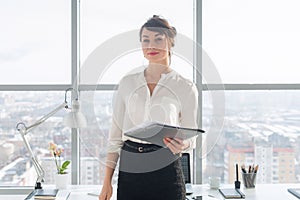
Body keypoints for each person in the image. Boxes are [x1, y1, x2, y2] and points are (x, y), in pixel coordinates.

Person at [99, 15, 199, 200]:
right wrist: (107, 182)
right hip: (131, 167)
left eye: (158, 39)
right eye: (146, 40)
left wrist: (182, 144)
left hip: (166, 167)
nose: (151, 45)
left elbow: (191, 138)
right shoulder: (127, 83)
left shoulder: (185, 86)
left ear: (170, 42)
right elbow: (115, 138)